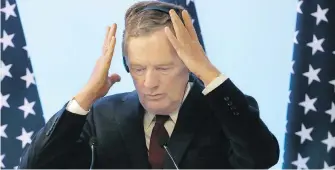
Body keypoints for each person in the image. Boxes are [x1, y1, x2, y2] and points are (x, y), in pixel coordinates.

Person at [19, 1, 279, 169]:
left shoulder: (225, 111)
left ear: (190, 64)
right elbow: (36, 166)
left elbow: (262, 158)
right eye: (138, 69)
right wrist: (86, 96)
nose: (149, 83)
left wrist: (208, 73)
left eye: (163, 68)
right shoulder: (102, 115)